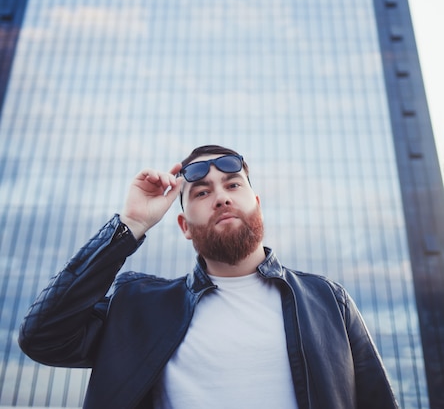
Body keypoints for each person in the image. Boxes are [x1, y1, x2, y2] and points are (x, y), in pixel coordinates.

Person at [19, 144, 400, 409]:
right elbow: (43, 337)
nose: (221, 197)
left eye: (233, 185)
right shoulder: (137, 306)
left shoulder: (328, 301)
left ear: (257, 205)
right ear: (184, 226)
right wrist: (129, 226)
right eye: (201, 193)